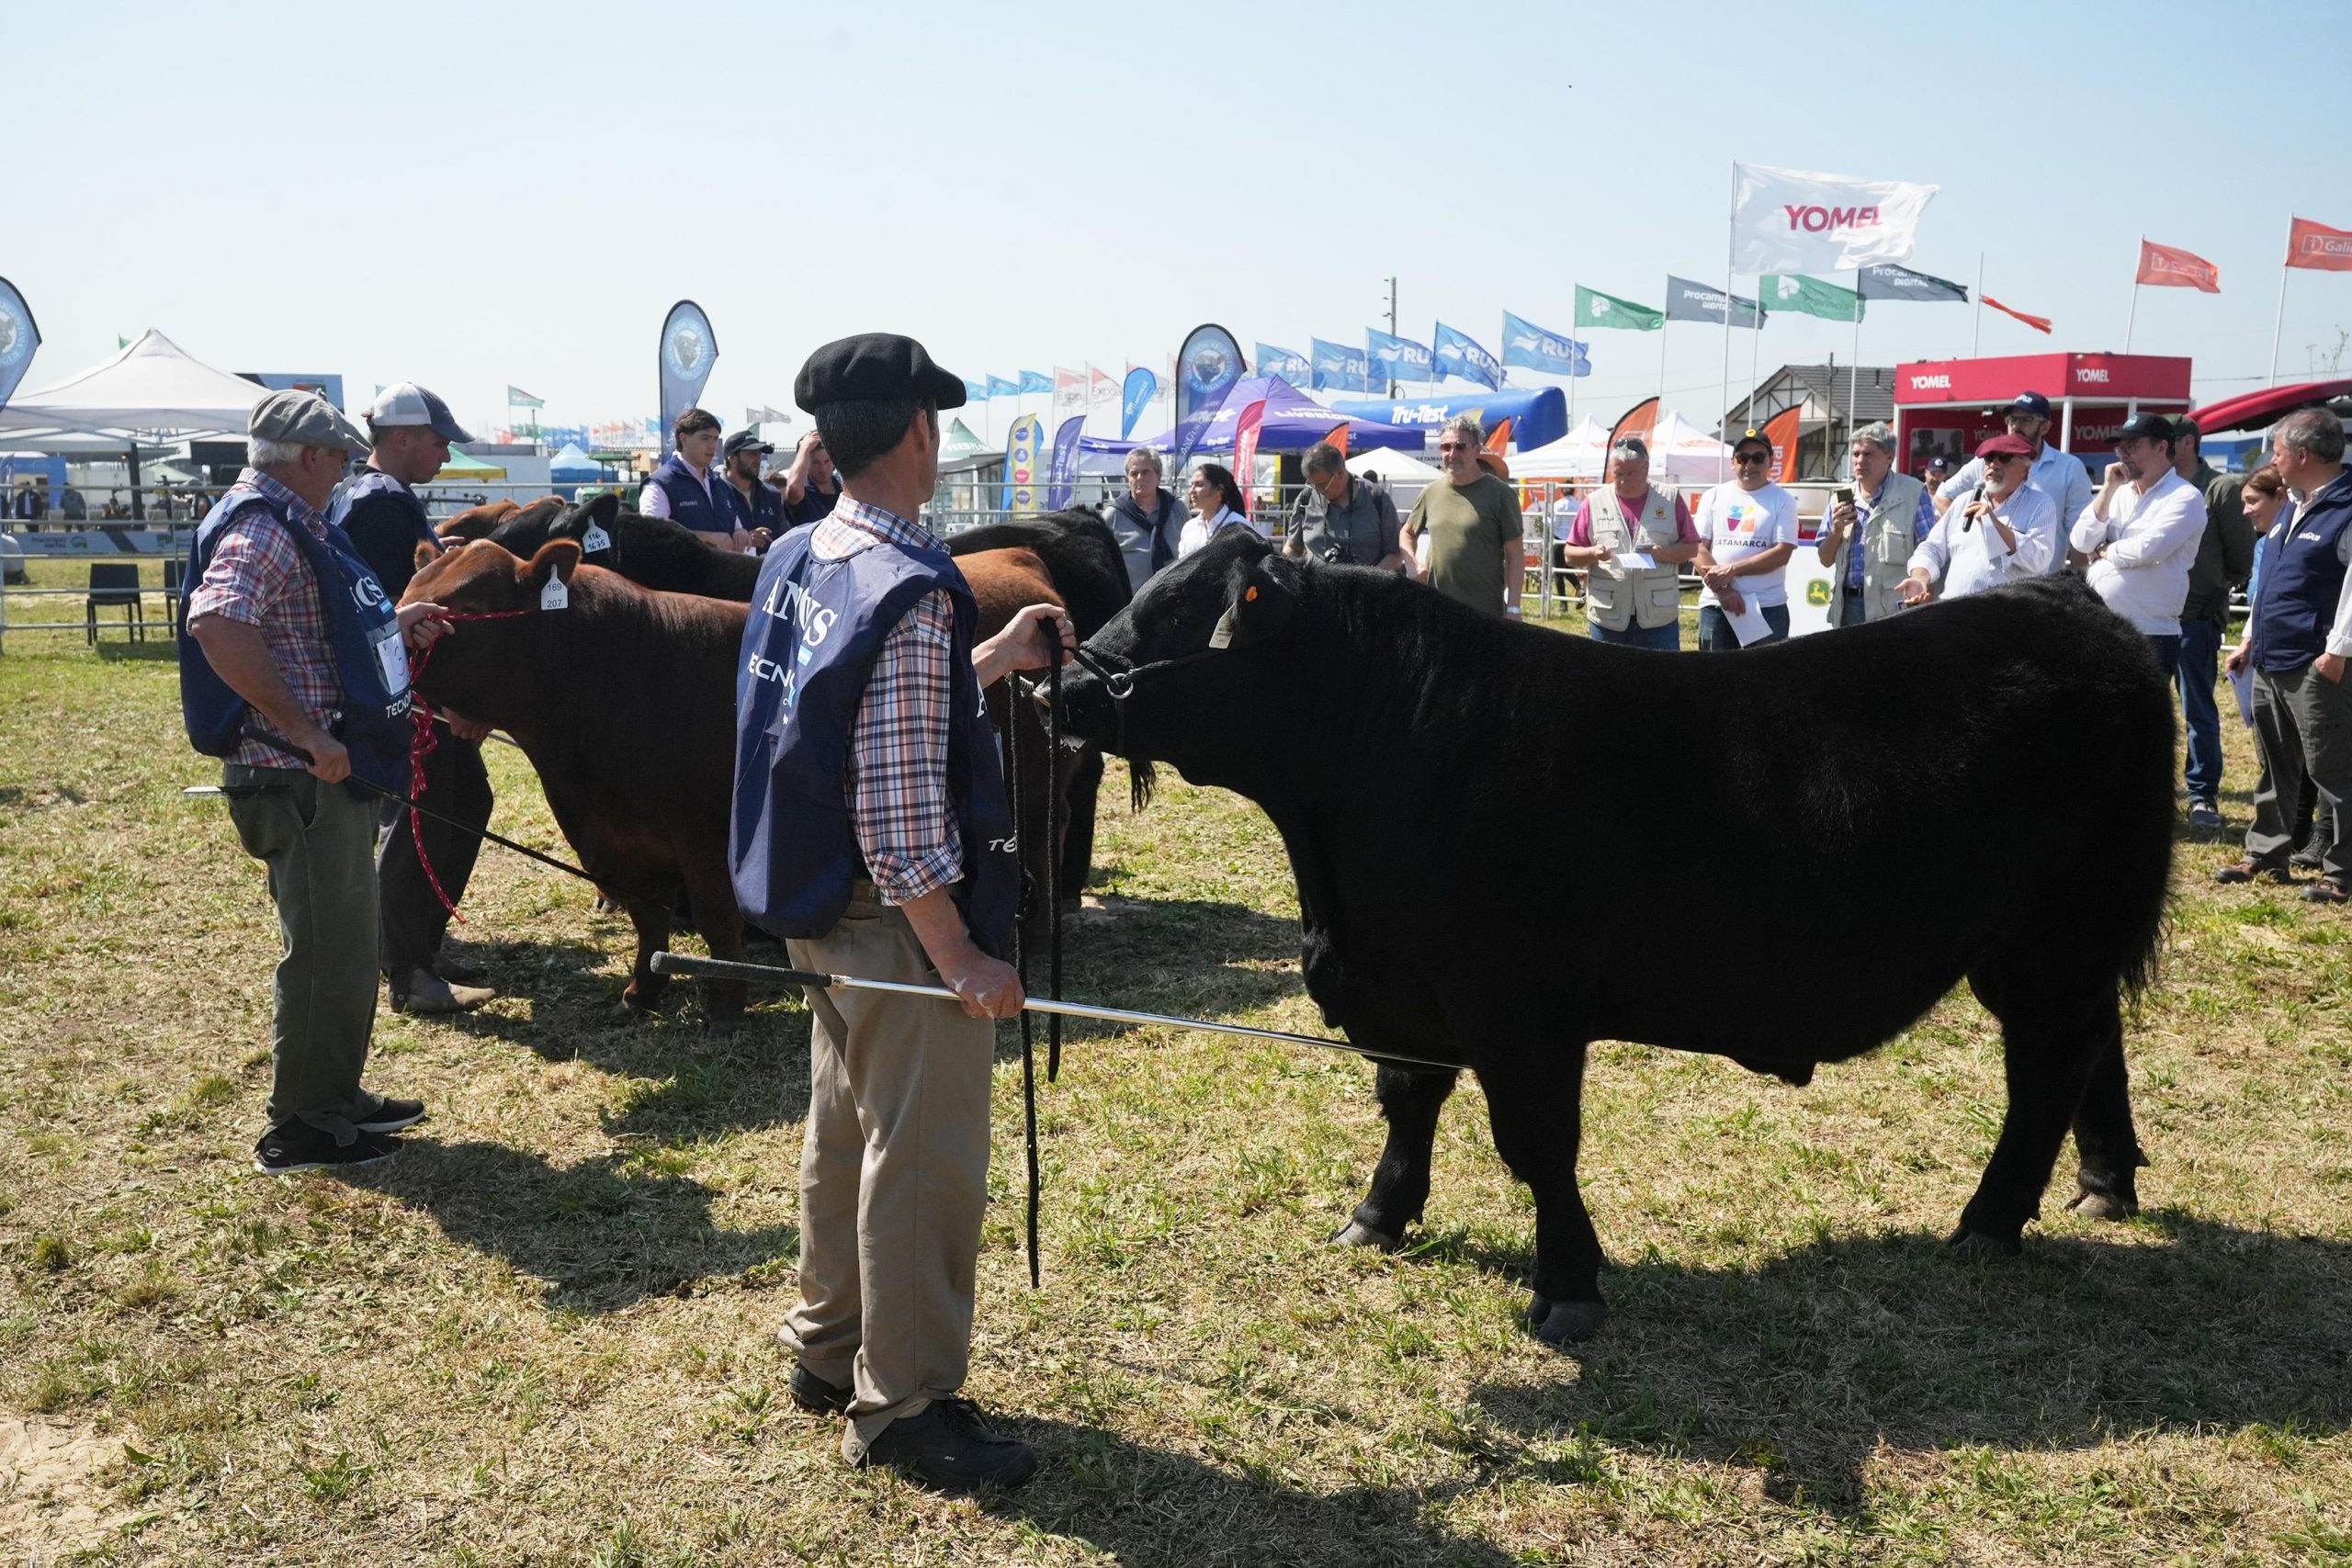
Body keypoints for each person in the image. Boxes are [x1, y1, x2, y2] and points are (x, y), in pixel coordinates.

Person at [732, 333, 1071, 1491]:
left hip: (816, 902)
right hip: (891, 916)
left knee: (845, 1130)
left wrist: (990, 657)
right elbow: (894, 803)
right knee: (920, 1156)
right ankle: (905, 1404)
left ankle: (828, 1349)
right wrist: (962, 957)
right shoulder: (912, 586)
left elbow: (849, 717)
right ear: (920, 431)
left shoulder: (798, 554)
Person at [179, 390, 452, 1173]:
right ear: (308, 458)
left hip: (310, 775)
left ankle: (331, 1094)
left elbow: (300, 628)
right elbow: (219, 621)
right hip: (297, 777)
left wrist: (392, 630)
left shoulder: (284, 518)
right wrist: (304, 731)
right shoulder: (262, 527)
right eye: (338, 458)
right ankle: (299, 1125)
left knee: (342, 943)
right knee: (326, 949)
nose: (344, 471)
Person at [336, 383, 498, 1017]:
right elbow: (390, 612)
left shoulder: (372, 496)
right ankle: (409, 967)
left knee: (458, 801)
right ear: (400, 438)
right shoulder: (384, 504)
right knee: (426, 813)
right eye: (438, 443)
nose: (445, 456)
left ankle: (421, 944)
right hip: (408, 692)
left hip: (403, 690)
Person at [2219, 410, 2352, 902]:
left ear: (2302, 455)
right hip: (2273, 657)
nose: (2270, 460)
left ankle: (2341, 871)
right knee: (2274, 763)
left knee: (2333, 769)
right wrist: (2250, 640)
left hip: (2317, 661)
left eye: (2276, 450)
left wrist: (2337, 651)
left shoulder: (2346, 506)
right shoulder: (2292, 506)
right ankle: (2267, 853)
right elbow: (2270, 586)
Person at [2165, 416, 2257, 829]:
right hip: (2155, 616)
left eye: (2163, 440)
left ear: (2187, 442)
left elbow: (2241, 555)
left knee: (2198, 710)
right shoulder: (2158, 488)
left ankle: (2202, 795)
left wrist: (2217, 590)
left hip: (2197, 619)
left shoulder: (2218, 488)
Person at [2070, 412, 2210, 676]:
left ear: (2161, 447)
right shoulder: (2118, 492)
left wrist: (2104, 550)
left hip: (2149, 632)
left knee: (2139, 716)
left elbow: (2147, 549)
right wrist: (2108, 489)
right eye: (2120, 447)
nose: (2123, 454)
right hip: (2098, 625)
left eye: (2133, 446)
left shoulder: (2185, 497)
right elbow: (2080, 540)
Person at [1555, 435, 1700, 649]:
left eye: (1631, 473)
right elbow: (1569, 554)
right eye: (1618, 473)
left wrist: (1662, 554)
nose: (1624, 480)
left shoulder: (1670, 499)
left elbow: (1692, 548)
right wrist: (1594, 553)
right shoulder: (1593, 502)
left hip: (1658, 617)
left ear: (1646, 468)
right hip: (1608, 617)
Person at [1896, 434, 2060, 605]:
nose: (1994, 465)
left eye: (2004, 459)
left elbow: (2039, 560)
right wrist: (1919, 577)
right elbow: (1932, 548)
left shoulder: (2040, 504)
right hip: (1954, 613)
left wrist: (1994, 524)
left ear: (2025, 472)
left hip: (2005, 617)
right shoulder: (1965, 501)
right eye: (1989, 459)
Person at [1402, 414, 1523, 617]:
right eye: (1446, 447)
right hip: (1437, 612)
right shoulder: (1431, 492)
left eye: (1460, 446)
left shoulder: (1501, 494)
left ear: (1477, 450)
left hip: (1484, 615)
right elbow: (1407, 532)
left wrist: (1513, 607)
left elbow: (1516, 555)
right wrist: (1412, 564)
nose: (1452, 454)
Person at [1818, 422, 1938, 626]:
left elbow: (1931, 551)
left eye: (1868, 454)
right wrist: (1837, 531)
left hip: (1892, 610)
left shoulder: (1913, 493)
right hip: (1845, 607)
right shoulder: (1839, 498)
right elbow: (1825, 559)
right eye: (1856, 454)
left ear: (1889, 457)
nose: (1859, 461)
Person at [1692, 430, 1801, 649]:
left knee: (1763, 680)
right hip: (1717, 605)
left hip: (1767, 606)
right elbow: (1696, 547)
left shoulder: (1784, 501)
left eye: (1758, 457)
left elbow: (1782, 553)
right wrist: (1723, 590)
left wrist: (1731, 570)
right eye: (1742, 458)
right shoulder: (1712, 496)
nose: (1749, 465)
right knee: (1712, 678)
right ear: (1733, 462)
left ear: (1771, 460)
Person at [1935, 391, 2093, 537]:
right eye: (2012, 419)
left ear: (2045, 427)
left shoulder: (2069, 468)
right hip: (1989, 567)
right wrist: (1968, 535)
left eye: (2026, 420)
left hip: (2044, 567)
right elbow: (1942, 496)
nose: (2016, 426)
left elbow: (2079, 527)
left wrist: (2078, 566)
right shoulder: (1986, 461)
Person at [640, 408, 758, 551]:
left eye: (715, 438)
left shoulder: (721, 485)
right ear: (684, 438)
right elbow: (652, 535)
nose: (712, 446)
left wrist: (741, 533)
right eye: (705, 438)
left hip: (723, 571)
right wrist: (708, 538)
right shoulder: (660, 484)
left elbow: (736, 527)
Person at [1283, 441, 1408, 570]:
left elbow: (1396, 554)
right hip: (1318, 589)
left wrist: (1368, 582)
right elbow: (1292, 548)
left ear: (1340, 473)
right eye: (1312, 484)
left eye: (1322, 485)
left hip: (1368, 588)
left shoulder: (1376, 498)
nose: (1317, 490)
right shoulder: (1305, 499)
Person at [1102, 446, 1185, 592]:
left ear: (1159, 477)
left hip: (1176, 598)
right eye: (1134, 473)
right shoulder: (1112, 516)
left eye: (1146, 472)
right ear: (1128, 478)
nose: (1139, 478)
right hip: (1131, 603)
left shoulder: (1177, 508)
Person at [719, 429, 782, 548]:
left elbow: (784, 537)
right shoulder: (715, 494)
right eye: (751, 454)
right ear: (731, 458)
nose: (758, 460)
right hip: (728, 565)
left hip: (768, 566)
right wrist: (744, 541)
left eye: (759, 454)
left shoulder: (772, 495)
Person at [1178, 462, 1253, 557]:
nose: (1192, 490)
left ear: (1219, 490)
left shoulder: (1240, 525)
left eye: (1199, 485)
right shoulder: (1190, 527)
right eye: (1192, 484)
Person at [778, 429, 843, 525]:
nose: (823, 469)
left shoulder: (844, 492)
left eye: (827, 461)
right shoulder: (804, 494)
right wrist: (805, 447)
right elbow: (794, 489)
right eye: (816, 463)